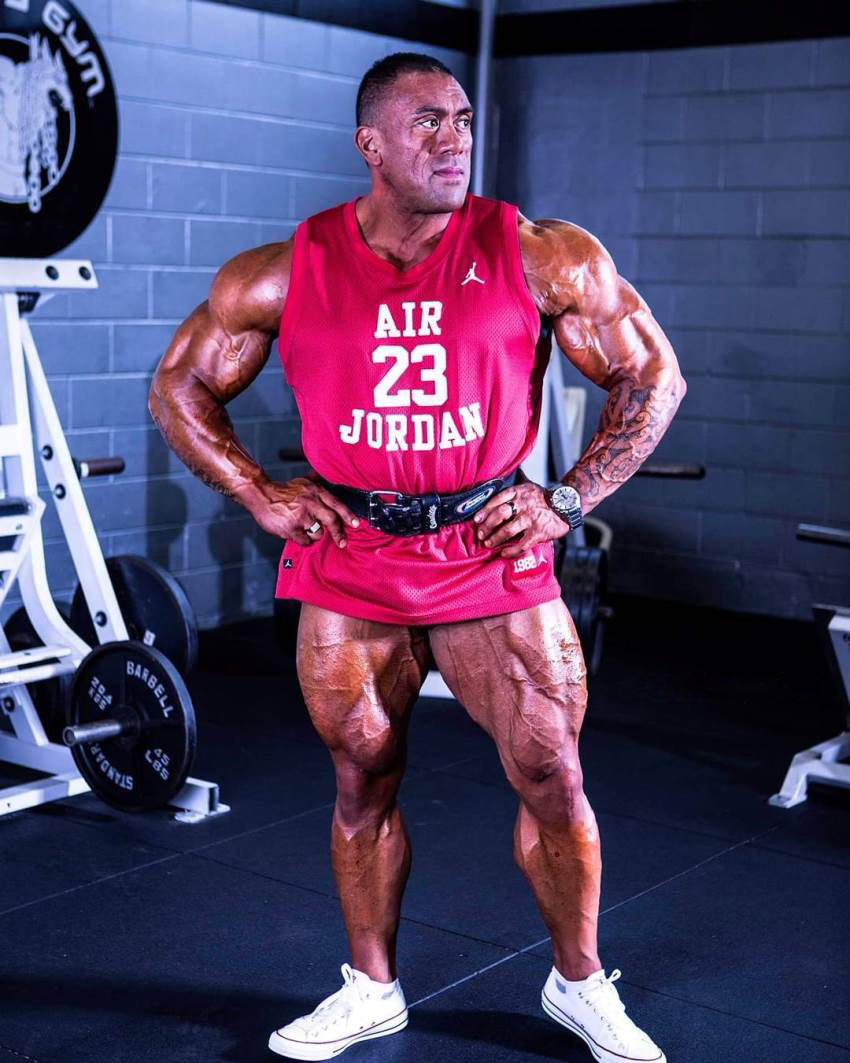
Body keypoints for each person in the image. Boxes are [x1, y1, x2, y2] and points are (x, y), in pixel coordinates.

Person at [149, 50, 685, 1063]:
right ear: (370, 145)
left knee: (551, 773)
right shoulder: (285, 268)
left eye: (462, 121)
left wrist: (569, 497)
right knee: (361, 782)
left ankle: (579, 984)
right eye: (427, 123)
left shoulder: (537, 253)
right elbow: (178, 385)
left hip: (489, 553)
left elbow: (653, 377)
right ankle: (370, 989)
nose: (454, 140)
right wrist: (261, 492)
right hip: (350, 557)